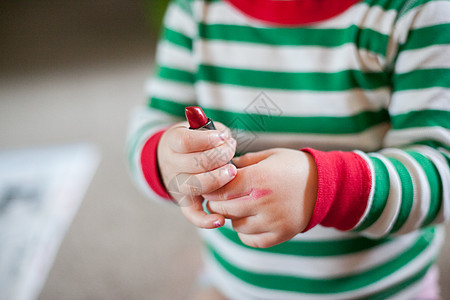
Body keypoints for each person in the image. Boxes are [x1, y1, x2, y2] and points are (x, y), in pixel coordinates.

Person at [127, 0, 450, 298]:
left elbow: (440, 172)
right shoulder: (194, 10)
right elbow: (154, 123)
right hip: (232, 284)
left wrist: (323, 189)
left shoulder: (418, 12)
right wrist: (167, 160)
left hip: (383, 288)